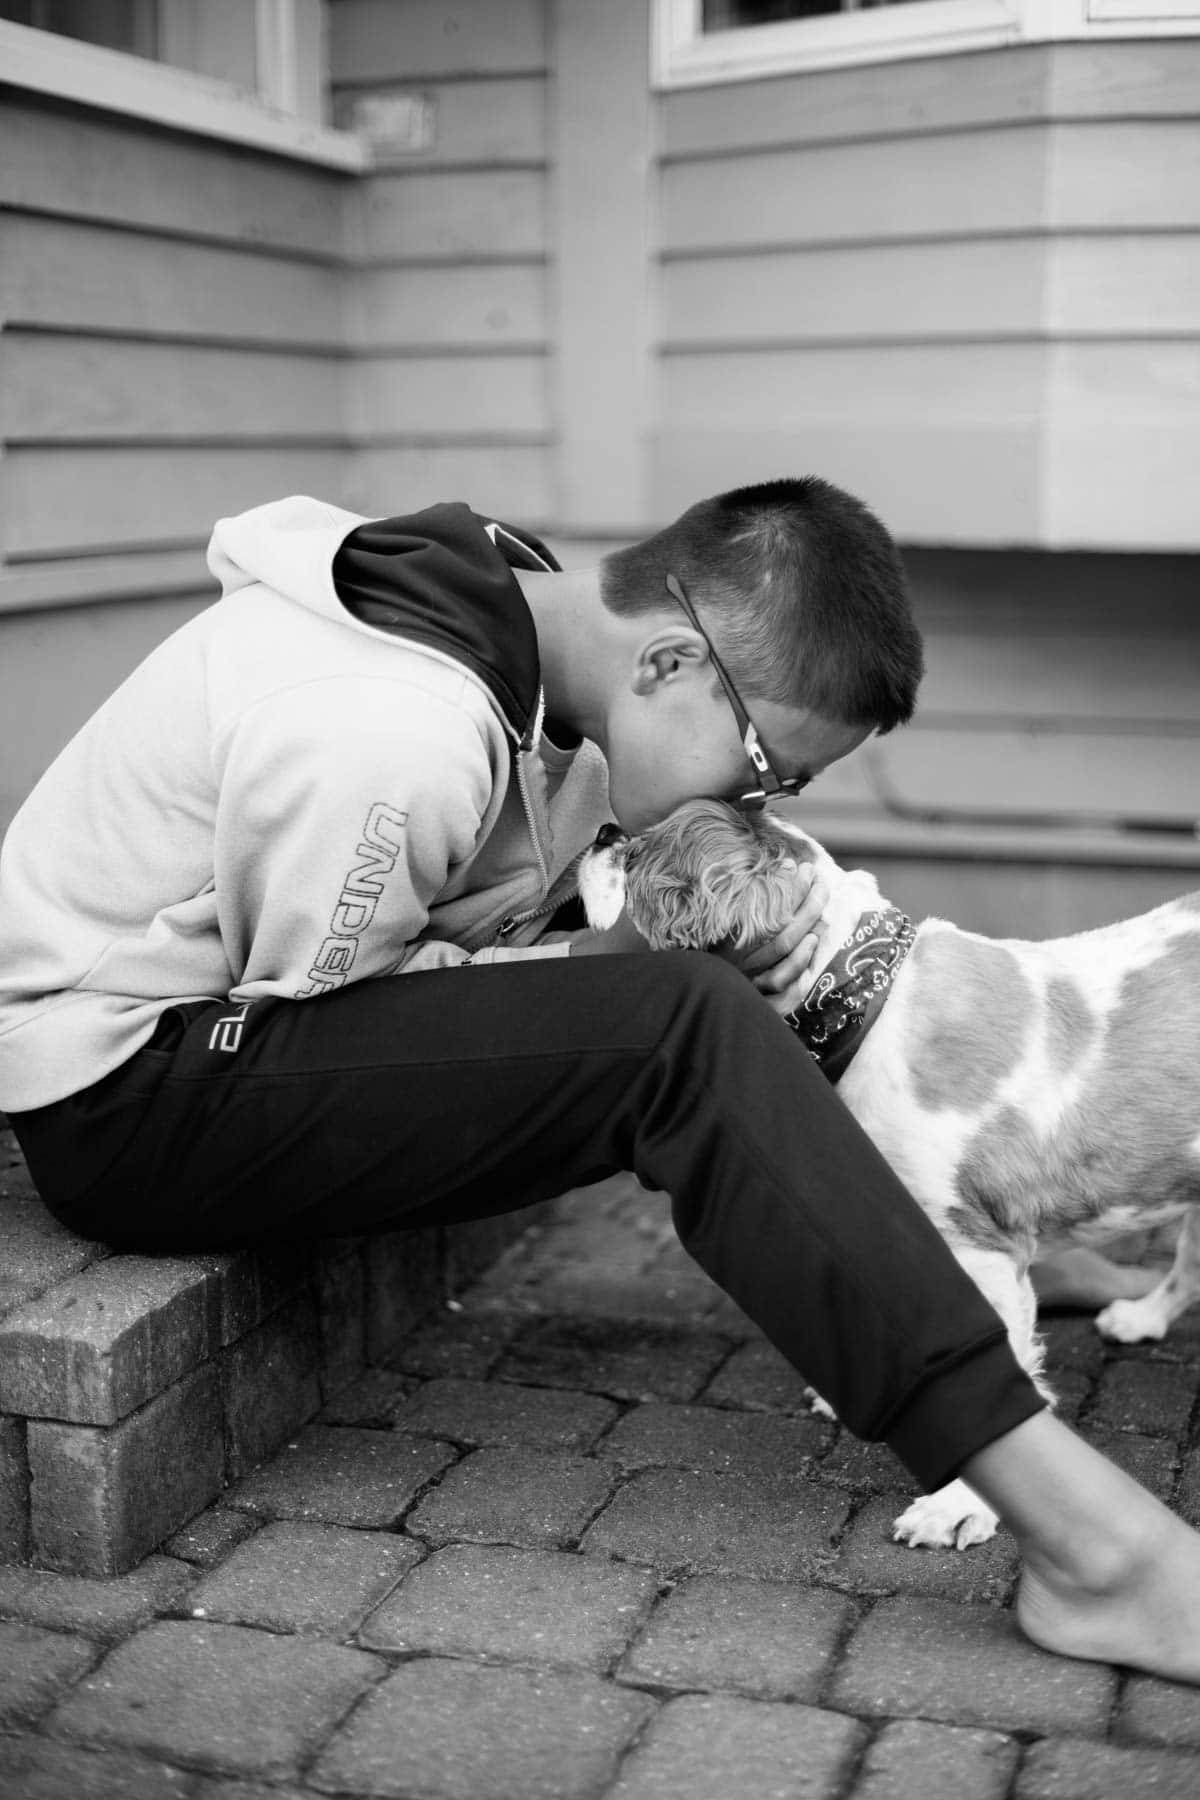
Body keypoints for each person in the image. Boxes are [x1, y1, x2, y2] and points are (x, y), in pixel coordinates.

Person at [0, 478, 1197, 1681]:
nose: (754, 804)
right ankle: (1096, 1552)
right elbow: (318, 1003)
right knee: (679, 1023)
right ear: (672, 661)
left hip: (226, 1030)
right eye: (768, 767)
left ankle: (979, 1223)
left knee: (684, 988)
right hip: (128, 1093)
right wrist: (614, 961)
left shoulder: (518, 627)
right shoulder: (385, 732)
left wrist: (616, 934)